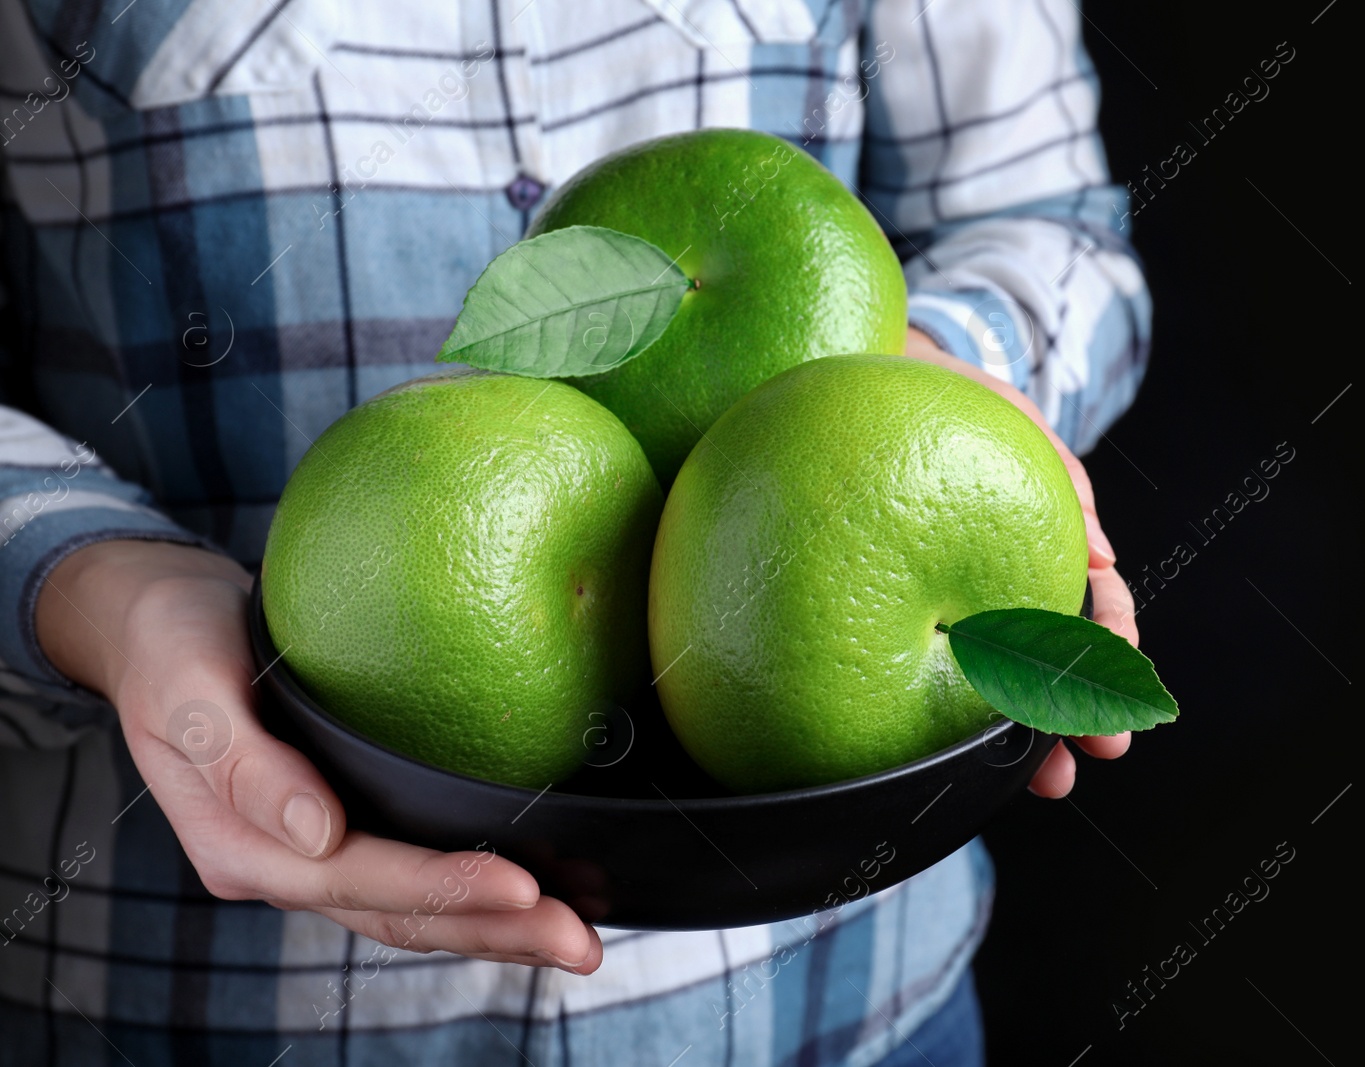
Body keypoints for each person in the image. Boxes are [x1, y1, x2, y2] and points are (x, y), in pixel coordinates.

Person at [0, 1, 1150, 1063]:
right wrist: (102, 590)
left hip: (843, 1008)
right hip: (194, 1005)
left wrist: (932, 396)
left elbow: (1045, 224)